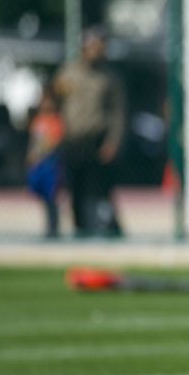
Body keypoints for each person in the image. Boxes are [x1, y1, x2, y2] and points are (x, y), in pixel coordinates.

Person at [54, 27, 126, 237]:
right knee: (75, 188)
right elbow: (55, 104)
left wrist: (113, 141)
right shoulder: (68, 74)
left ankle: (107, 229)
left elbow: (117, 113)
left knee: (99, 189)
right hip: (74, 139)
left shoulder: (109, 78)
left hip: (97, 138)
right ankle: (81, 229)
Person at [25, 87, 65, 238]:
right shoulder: (38, 121)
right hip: (38, 162)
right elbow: (34, 140)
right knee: (41, 194)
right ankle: (48, 225)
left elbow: (54, 141)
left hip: (50, 162)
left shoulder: (55, 121)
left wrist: (42, 153)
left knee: (52, 195)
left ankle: (54, 226)